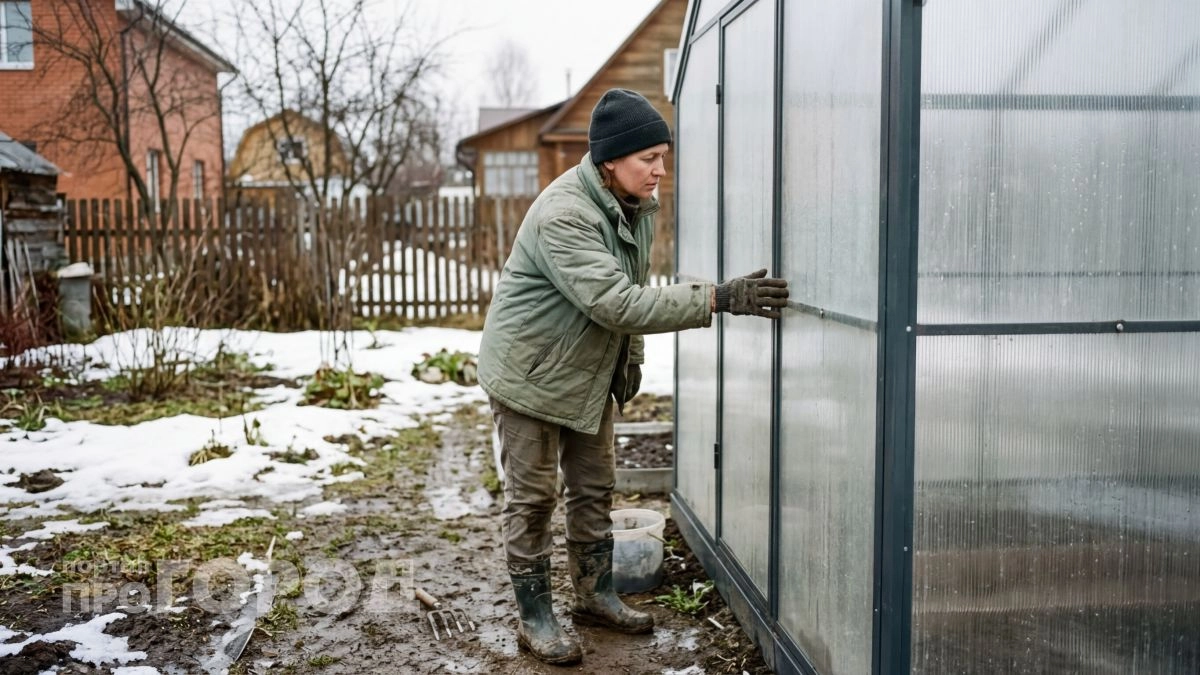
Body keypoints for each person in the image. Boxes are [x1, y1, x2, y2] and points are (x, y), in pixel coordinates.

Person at [477, 88, 788, 665]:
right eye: (649, 158)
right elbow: (615, 303)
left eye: (663, 157)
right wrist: (717, 298)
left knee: (595, 489)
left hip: (587, 372)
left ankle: (594, 595)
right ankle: (536, 615)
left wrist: (632, 359)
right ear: (610, 160)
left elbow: (634, 285)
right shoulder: (565, 213)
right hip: (530, 374)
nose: (660, 171)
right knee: (534, 499)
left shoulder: (634, 207)